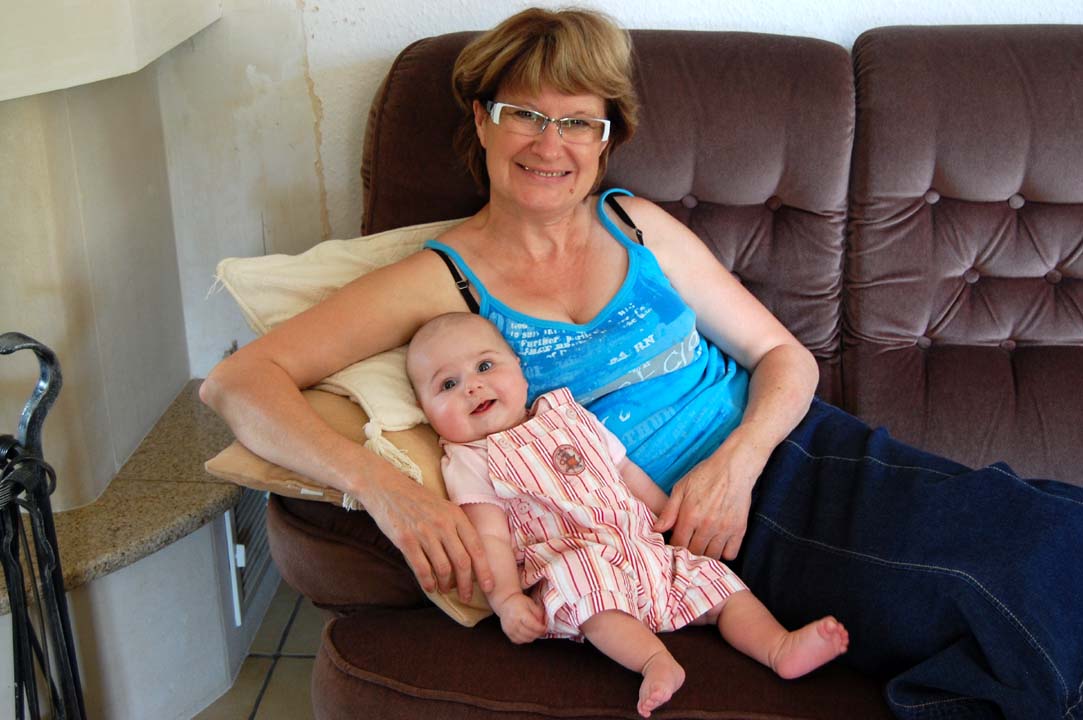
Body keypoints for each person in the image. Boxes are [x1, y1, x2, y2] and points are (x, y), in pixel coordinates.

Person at [200, 7, 1083, 719]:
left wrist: (735, 465)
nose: (549, 144)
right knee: (995, 597)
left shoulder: (635, 223)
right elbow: (239, 383)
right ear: (481, 120)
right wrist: (388, 493)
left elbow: (782, 355)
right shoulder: (440, 277)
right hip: (710, 531)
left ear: (604, 138)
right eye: (524, 114)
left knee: (1046, 528)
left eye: (576, 122)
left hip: (789, 451)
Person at [406, 312, 849, 717]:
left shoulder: (569, 413)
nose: (472, 387)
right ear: (426, 412)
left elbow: (624, 470)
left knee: (717, 581)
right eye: (447, 385)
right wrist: (506, 599)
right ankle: (654, 660)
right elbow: (491, 535)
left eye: (485, 366)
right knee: (584, 581)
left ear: (521, 370)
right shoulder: (469, 459)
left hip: (644, 549)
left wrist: (668, 517)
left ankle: (778, 648)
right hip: (575, 560)